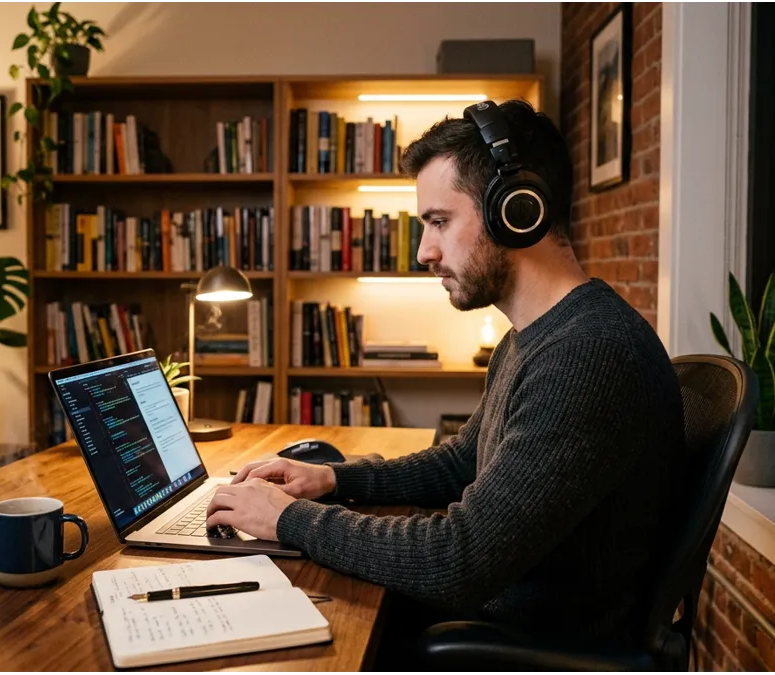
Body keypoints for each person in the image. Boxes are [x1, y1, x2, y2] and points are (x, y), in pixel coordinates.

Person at [205, 98, 686, 652]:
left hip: (518, 651)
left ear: (518, 209)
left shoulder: (589, 354)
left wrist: (290, 520)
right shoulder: (536, 336)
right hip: (488, 623)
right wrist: (334, 479)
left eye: (439, 222)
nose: (424, 251)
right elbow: (464, 461)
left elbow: (460, 558)